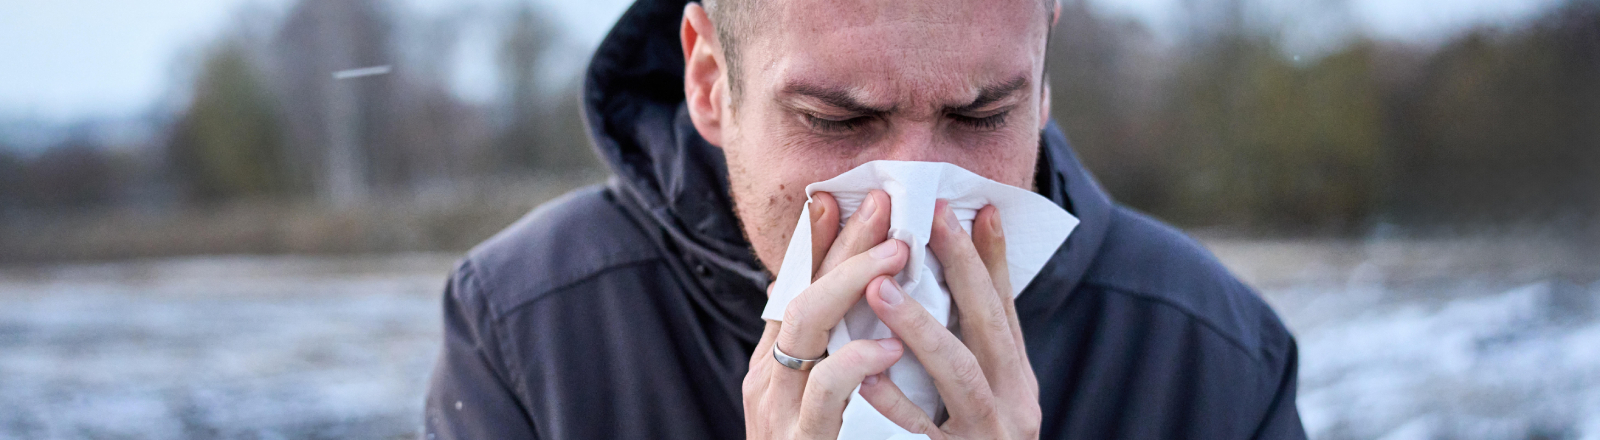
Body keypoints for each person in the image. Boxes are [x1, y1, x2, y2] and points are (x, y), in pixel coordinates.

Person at [424, 0, 1307, 438]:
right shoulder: (529, 334)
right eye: (836, 121)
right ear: (709, 85)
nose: (911, 207)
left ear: (1040, 84)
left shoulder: (1212, 359)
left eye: (979, 116)